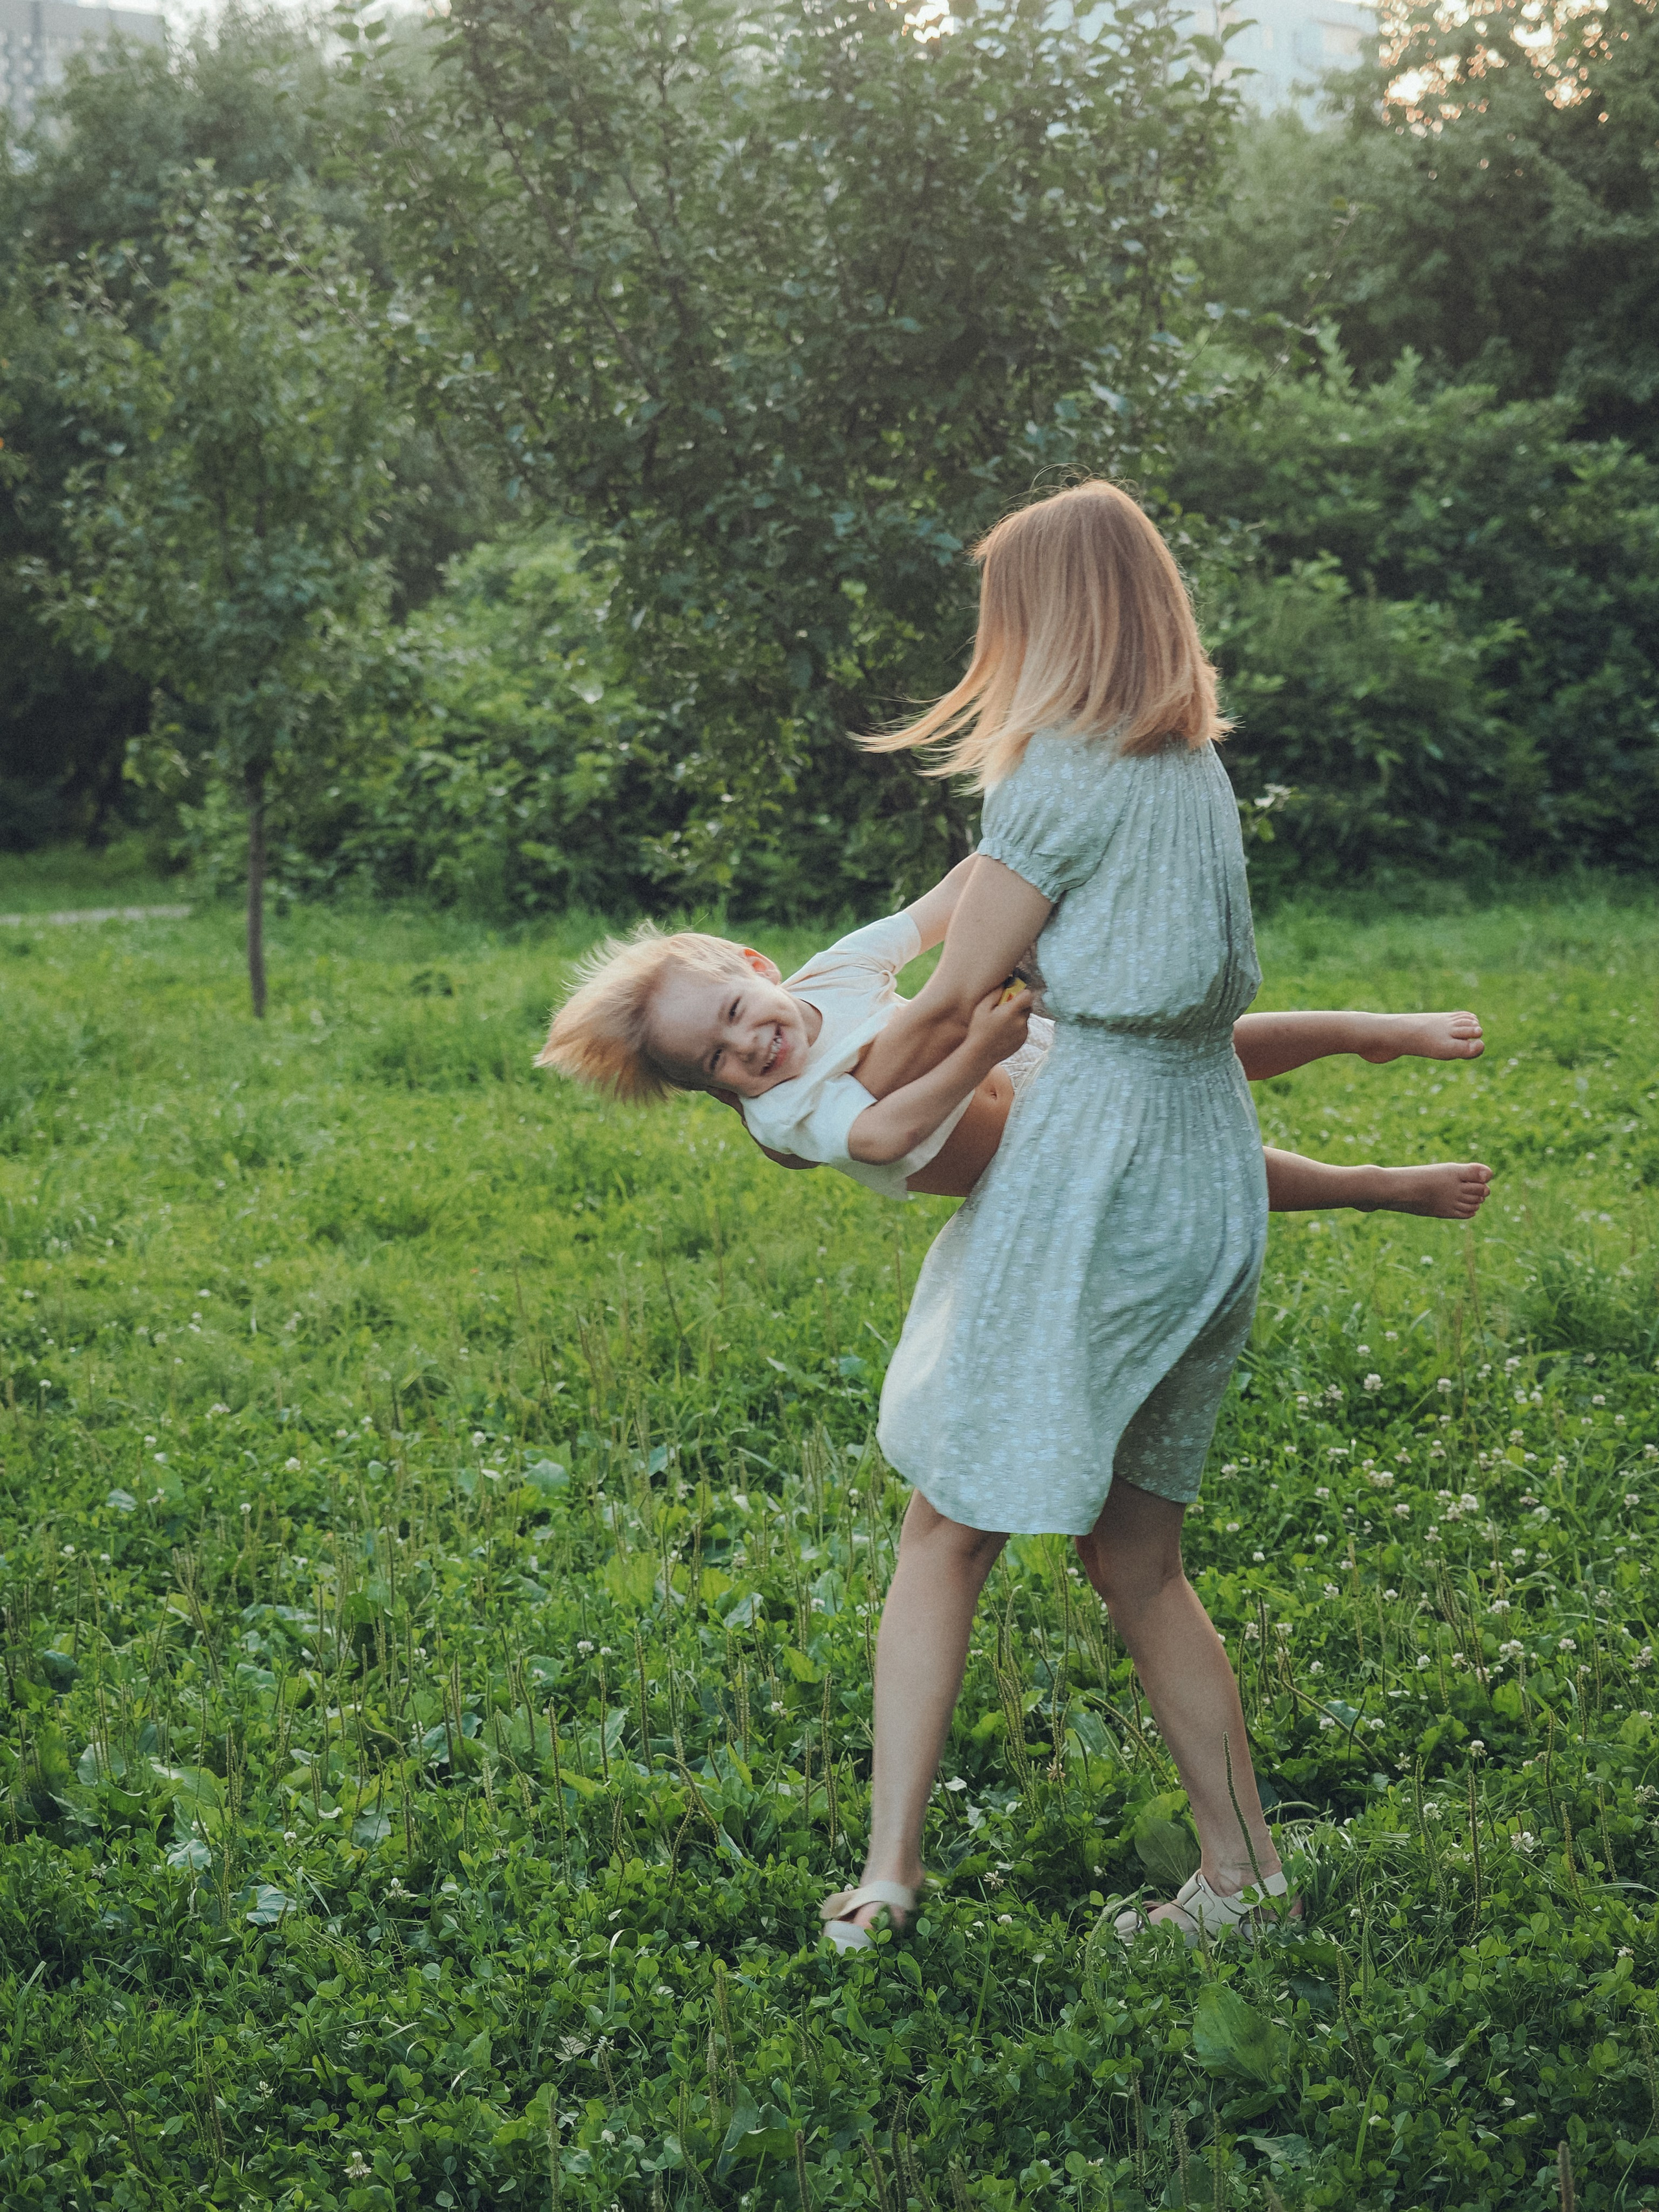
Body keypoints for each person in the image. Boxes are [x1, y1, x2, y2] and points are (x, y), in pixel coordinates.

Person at [815, 477, 1348, 1952]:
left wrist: (818, 1103)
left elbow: (950, 1001)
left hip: (1101, 1168)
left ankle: (888, 1879)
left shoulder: (1057, 773)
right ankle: (1243, 1878)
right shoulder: (1190, 767)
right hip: (1205, 1171)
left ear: (1048, 618)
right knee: (1134, 1559)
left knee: (943, 1530)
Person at [538, 878, 1491, 1219]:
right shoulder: (781, 1111)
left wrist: (1025, 855)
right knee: (1202, 1168)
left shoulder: (834, 972)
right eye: (715, 1060)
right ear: (711, 1090)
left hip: (1028, 1056)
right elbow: (883, 1136)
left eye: (736, 1010)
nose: (747, 1043)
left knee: (1203, 1043)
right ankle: (1372, 1185)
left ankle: (1368, 1032)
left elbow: (950, 899)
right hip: (1029, 1156)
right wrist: (976, 1047)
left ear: (757, 965)